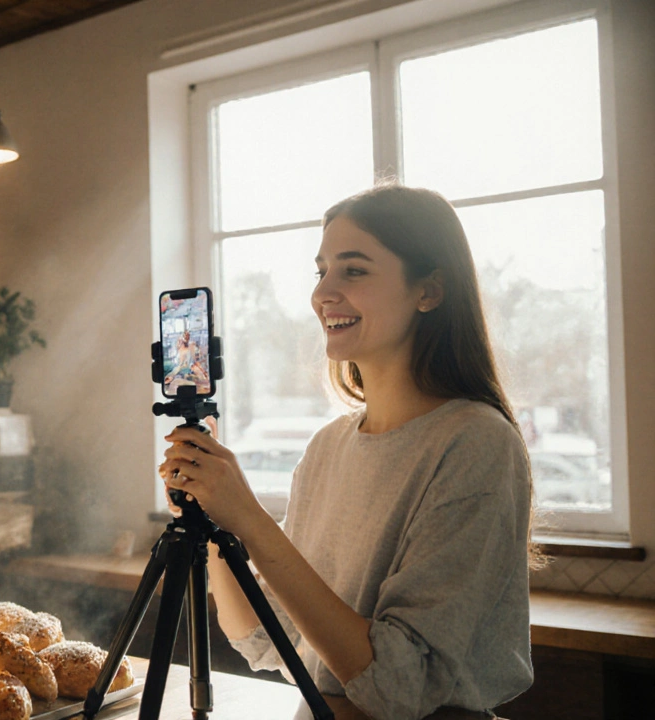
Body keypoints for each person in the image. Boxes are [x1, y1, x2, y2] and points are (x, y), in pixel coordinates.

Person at [159, 185, 534, 720]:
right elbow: (262, 636)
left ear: (428, 290)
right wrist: (210, 518)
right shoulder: (328, 447)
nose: (323, 294)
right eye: (321, 272)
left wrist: (252, 520)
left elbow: (399, 685)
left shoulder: (475, 442)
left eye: (353, 271)